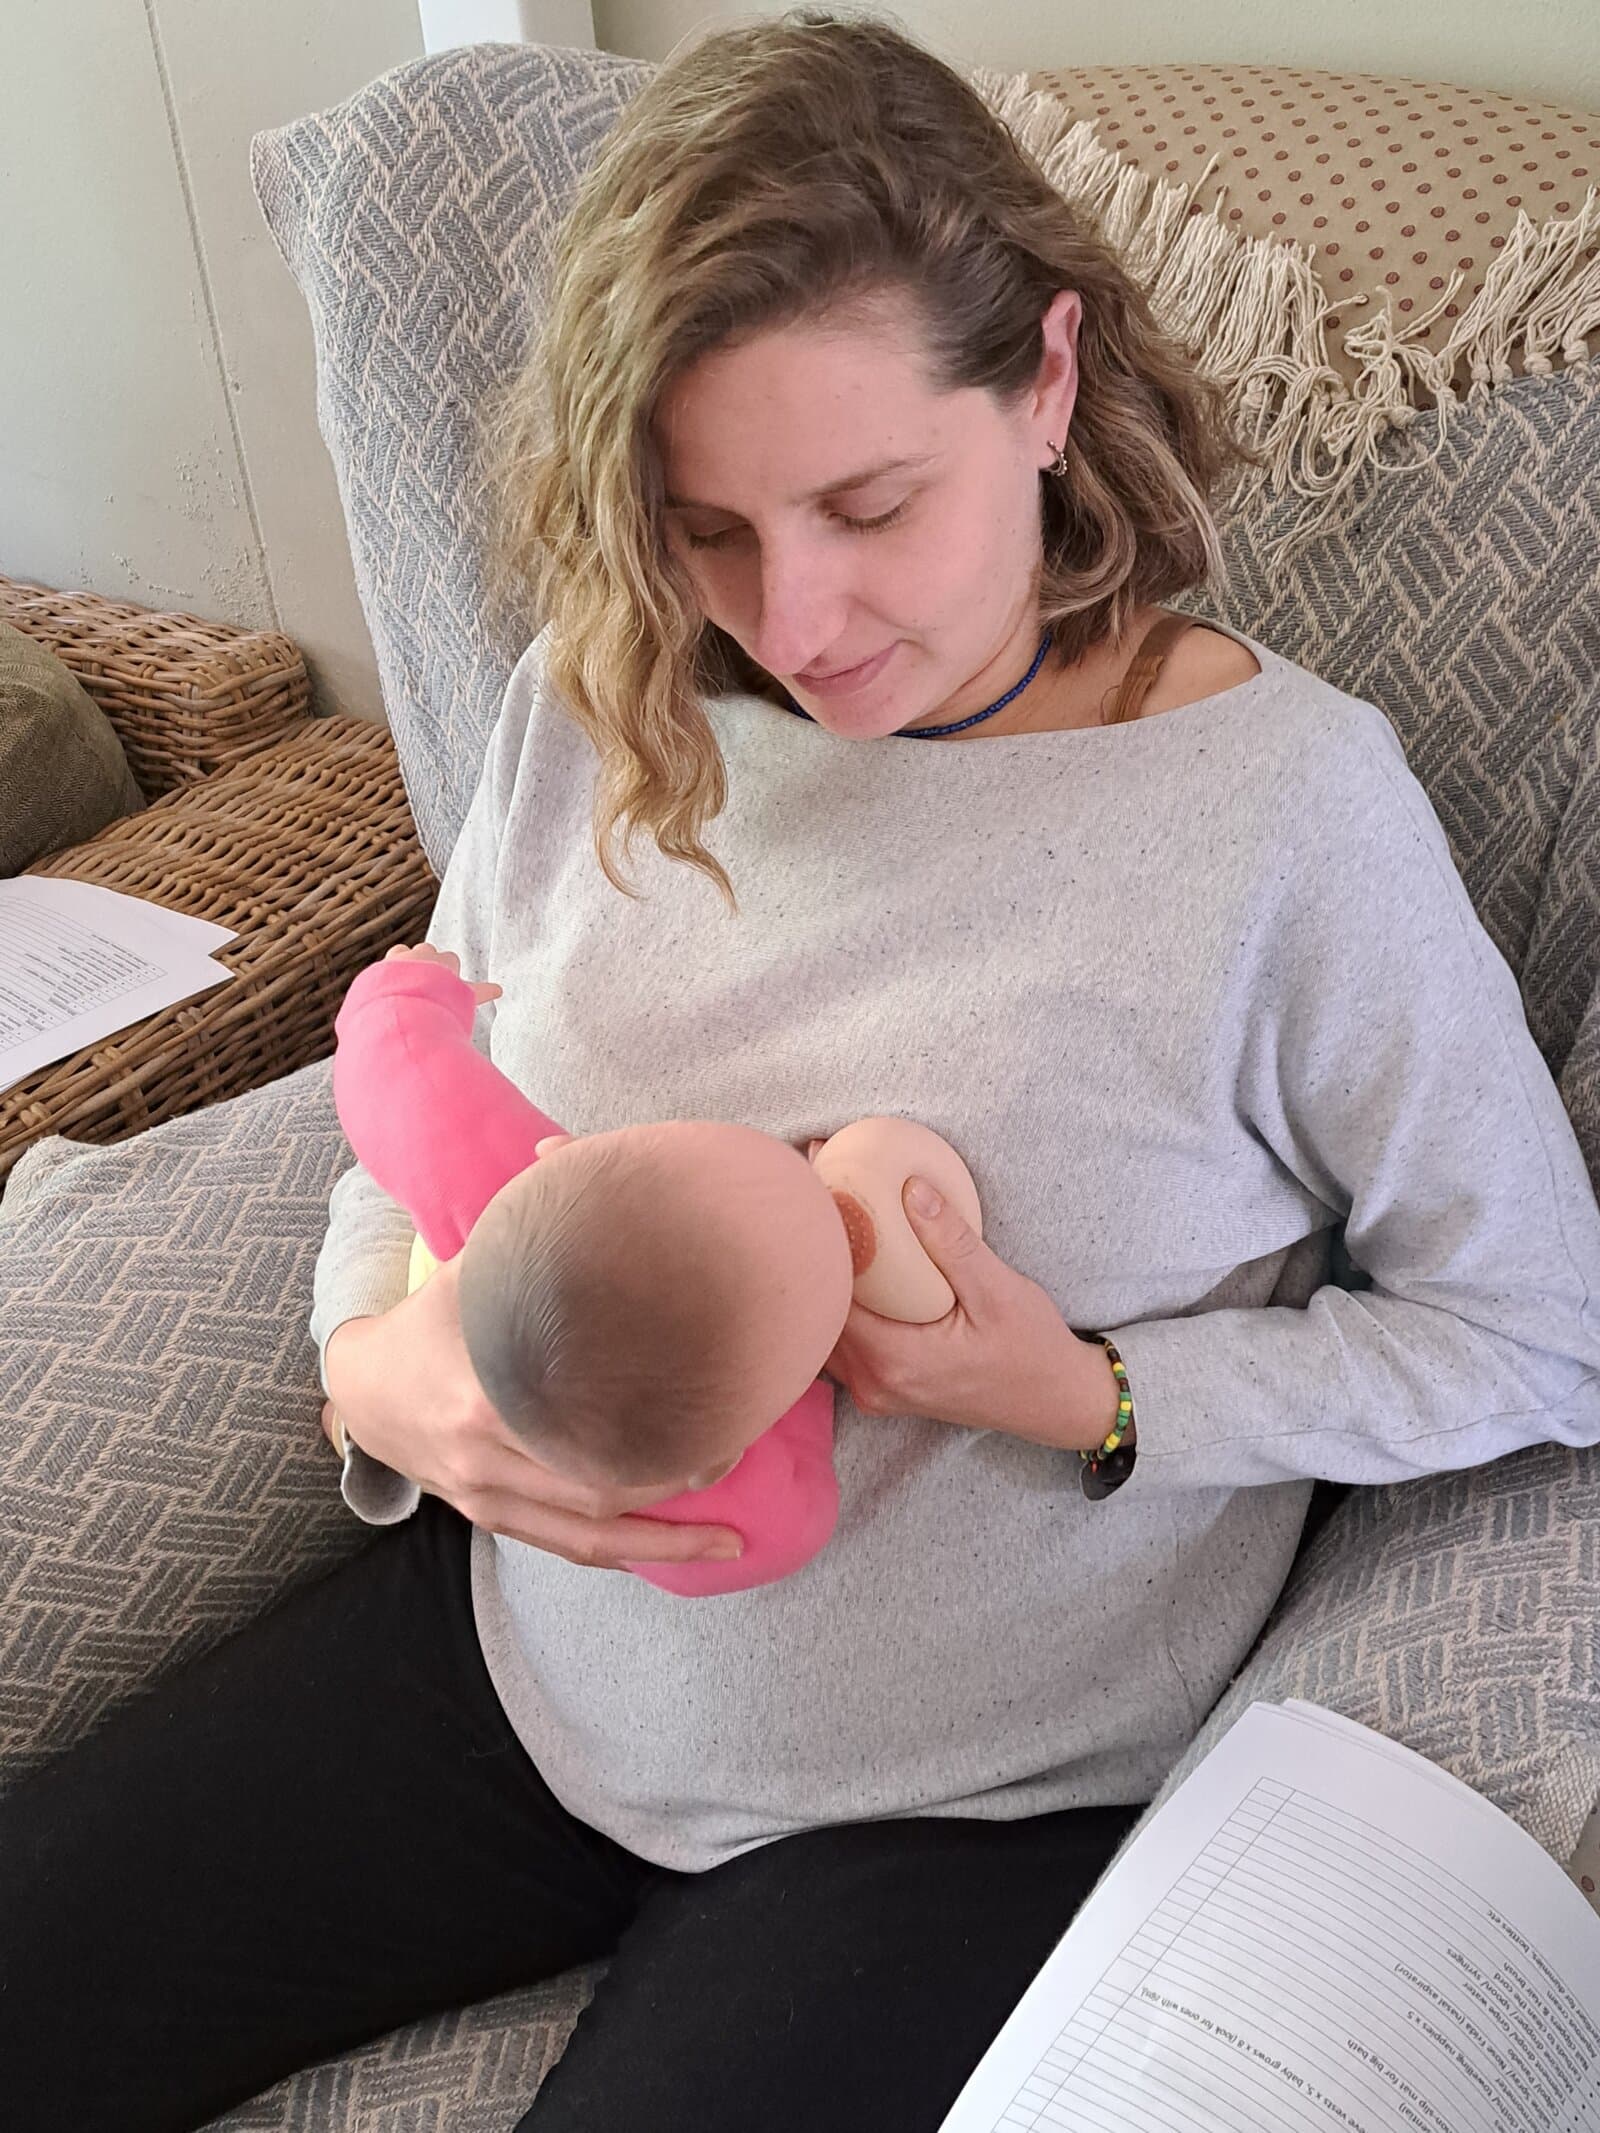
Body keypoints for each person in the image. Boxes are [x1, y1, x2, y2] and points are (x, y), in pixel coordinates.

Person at [6, 12, 1600, 2131]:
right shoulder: (597, 694)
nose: (802, 618)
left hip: (957, 1807)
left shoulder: (1284, 817)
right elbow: (422, 1085)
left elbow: (1532, 1335)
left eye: (868, 503)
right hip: (509, 1669)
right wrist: (371, 1367)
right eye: (708, 526)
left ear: (1039, 382)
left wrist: (1095, 1391)